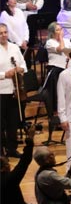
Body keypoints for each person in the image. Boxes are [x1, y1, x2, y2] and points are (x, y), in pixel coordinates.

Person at [0, 124, 35, 204]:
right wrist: (30, 140)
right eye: (7, 164)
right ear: (4, 168)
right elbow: (25, 161)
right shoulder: (9, 179)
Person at [0, 23, 26, 157]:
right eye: (1, 33)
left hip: (14, 90)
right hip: (1, 90)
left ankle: (12, 148)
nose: (4, 35)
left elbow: (23, 64)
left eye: (5, 32)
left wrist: (20, 69)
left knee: (13, 121)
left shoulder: (14, 47)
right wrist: (5, 74)